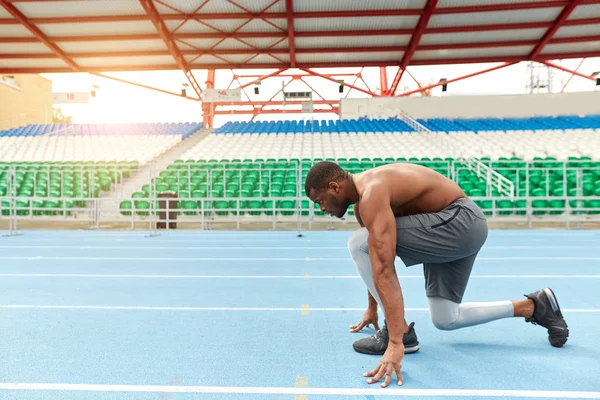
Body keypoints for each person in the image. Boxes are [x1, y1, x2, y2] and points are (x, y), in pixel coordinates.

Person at [304, 161, 569, 388]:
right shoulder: (364, 201)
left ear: (334, 188)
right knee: (446, 318)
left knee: (357, 243)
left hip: (459, 220)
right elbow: (375, 258)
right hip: (449, 225)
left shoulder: (372, 191)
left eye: (320, 202)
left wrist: (396, 341)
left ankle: (402, 333)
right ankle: (534, 306)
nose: (321, 208)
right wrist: (372, 308)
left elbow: (383, 268)